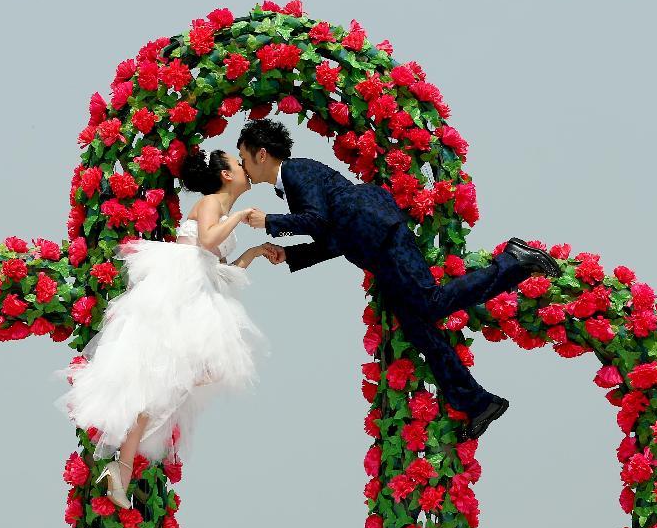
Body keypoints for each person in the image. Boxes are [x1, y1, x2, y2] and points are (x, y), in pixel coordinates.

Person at [236, 119, 562, 443]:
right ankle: (478, 403)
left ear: (261, 154)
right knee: (419, 328)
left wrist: (270, 222)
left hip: (381, 234)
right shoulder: (291, 183)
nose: (243, 166)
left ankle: (514, 262)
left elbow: (317, 221)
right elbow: (331, 235)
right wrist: (291, 255)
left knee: (429, 303)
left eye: (243, 158)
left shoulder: (296, 171)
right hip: (371, 244)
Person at [55, 148, 274, 508]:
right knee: (176, 376)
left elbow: (220, 269)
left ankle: (120, 467)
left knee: (175, 382)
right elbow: (205, 242)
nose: (245, 170)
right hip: (179, 292)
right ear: (226, 175)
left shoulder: (222, 211)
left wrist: (257, 253)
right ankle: (121, 465)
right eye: (238, 164)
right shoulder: (211, 203)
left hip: (199, 291)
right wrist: (241, 217)